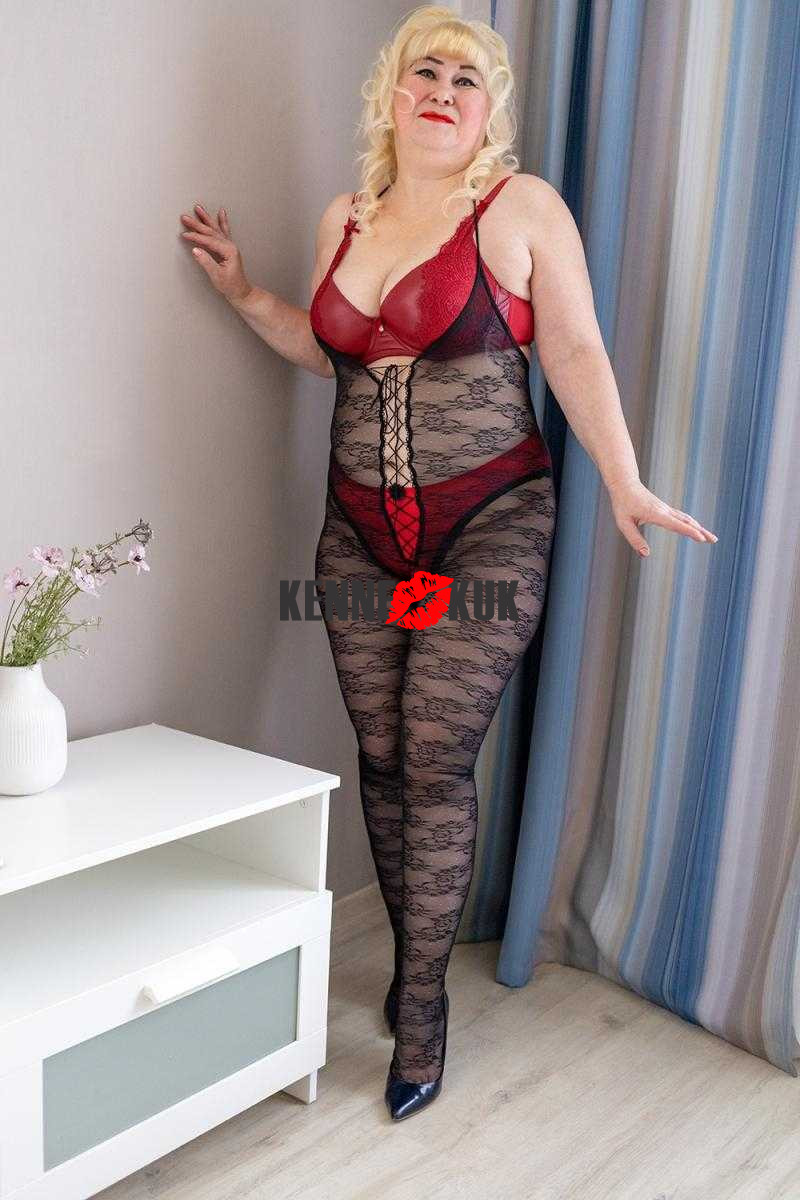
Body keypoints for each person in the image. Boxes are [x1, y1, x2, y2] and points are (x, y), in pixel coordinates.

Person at [179, 5, 717, 1122]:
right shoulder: (346, 217)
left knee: (432, 759)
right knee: (380, 756)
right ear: (391, 92)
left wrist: (624, 481)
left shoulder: (519, 208)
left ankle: (419, 1006)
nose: (442, 89)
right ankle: (412, 964)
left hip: (490, 523)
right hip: (357, 535)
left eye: (466, 79)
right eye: (423, 70)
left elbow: (572, 347)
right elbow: (329, 349)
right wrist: (243, 294)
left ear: (488, 112)